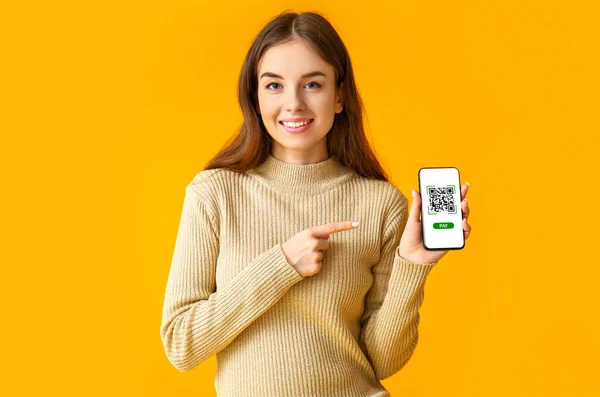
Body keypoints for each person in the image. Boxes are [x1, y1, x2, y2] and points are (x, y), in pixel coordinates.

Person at [159, 10, 472, 396]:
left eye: (312, 84)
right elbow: (181, 344)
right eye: (274, 86)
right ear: (255, 98)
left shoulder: (380, 204)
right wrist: (282, 265)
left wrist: (414, 265)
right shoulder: (215, 194)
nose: (293, 103)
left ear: (339, 96)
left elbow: (382, 362)